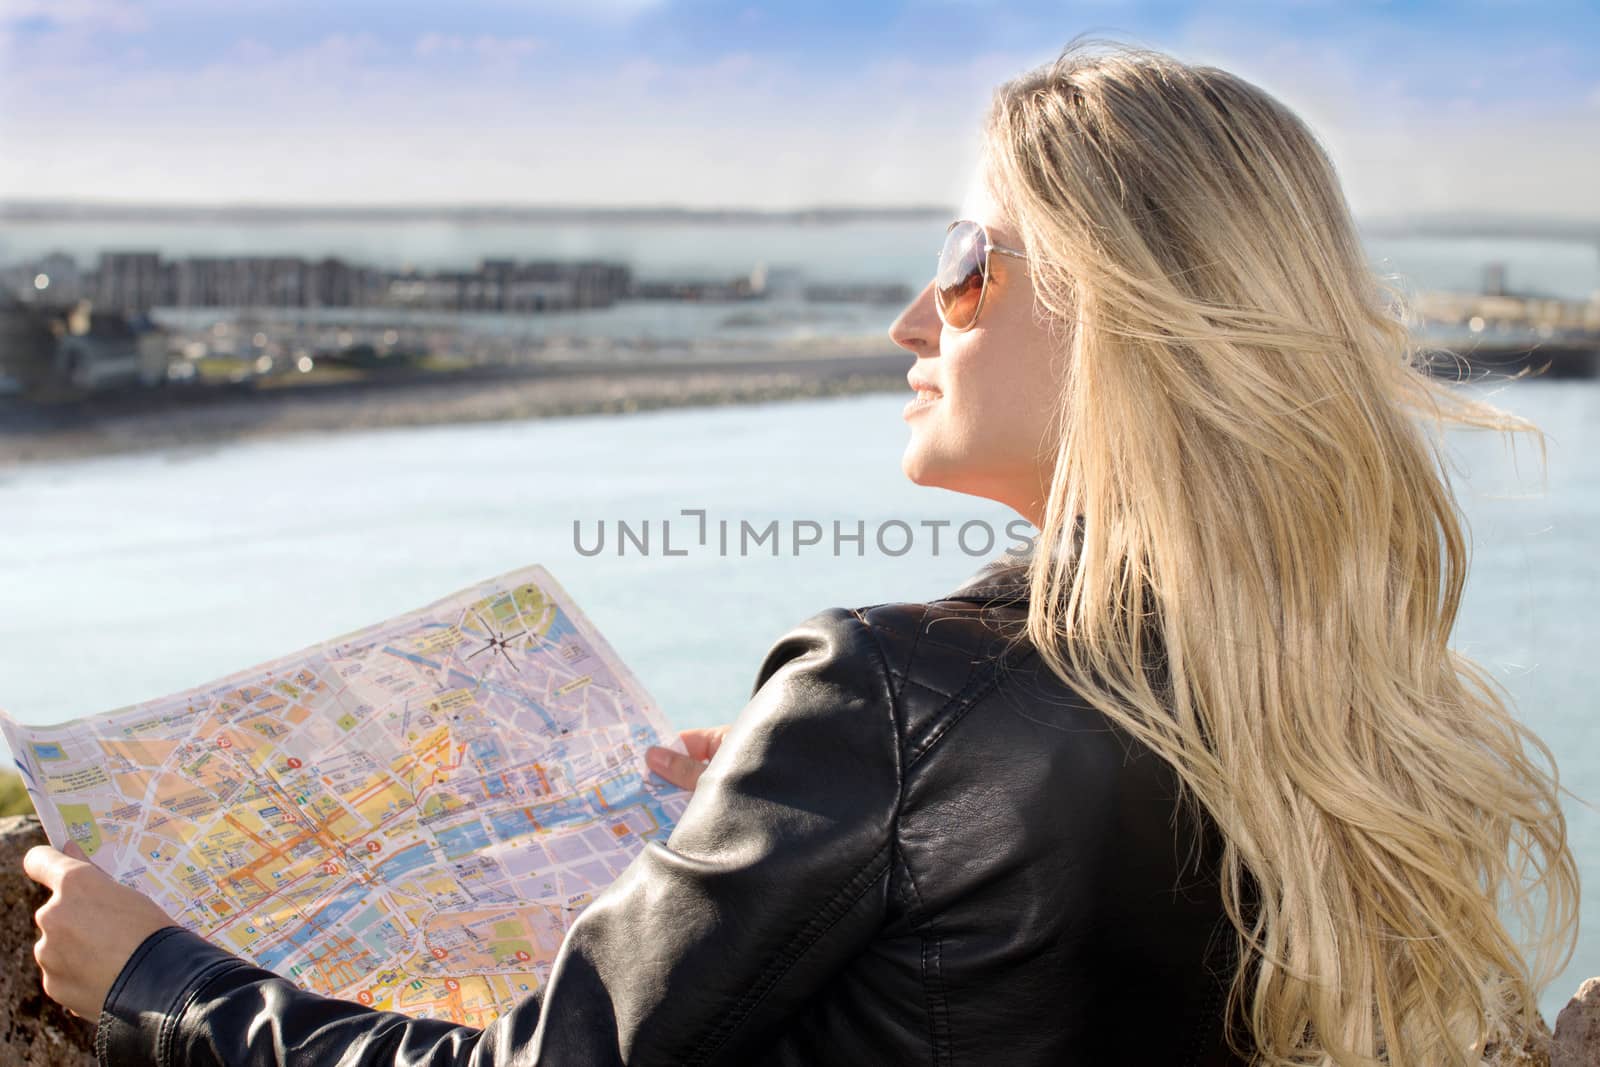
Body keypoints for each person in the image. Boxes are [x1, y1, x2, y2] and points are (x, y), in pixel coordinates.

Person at [23, 36, 1580, 1067]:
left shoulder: (892, 697)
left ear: (1127, 318)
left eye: (968, 266)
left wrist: (158, 976)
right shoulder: (1327, 695)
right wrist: (794, 813)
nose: (911, 318)